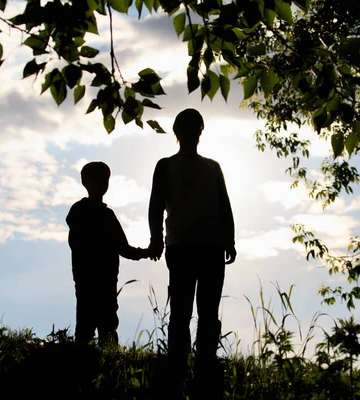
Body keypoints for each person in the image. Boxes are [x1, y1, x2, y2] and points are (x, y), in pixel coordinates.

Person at [148, 108, 237, 399]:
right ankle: (179, 365)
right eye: (187, 127)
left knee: (208, 312)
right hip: (182, 246)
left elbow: (224, 205)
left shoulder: (214, 167)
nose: (192, 132)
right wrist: (156, 239)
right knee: (183, 312)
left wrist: (229, 239)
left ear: (200, 132)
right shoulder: (165, 165)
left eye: (195, 127)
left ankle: (204, 364)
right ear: (178, 132)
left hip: (209, 247)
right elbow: (155, 205)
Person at [66, 161, 150, 348]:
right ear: (85, 182)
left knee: (101, 323)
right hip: (95, 277)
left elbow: (123, 248)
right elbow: (124, 249)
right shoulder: (95, 214)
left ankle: (94, 359)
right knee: (98, 323)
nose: (101, 183)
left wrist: (145, 253)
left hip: (95, 278)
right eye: (97, 179)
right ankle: (100, 361)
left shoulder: (86, 213)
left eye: (103, 179)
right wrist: (146, 253)